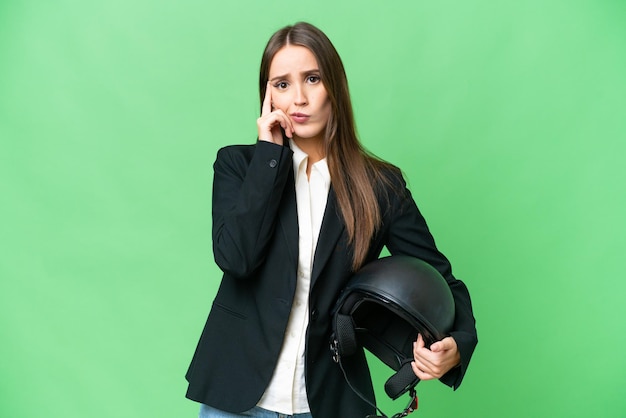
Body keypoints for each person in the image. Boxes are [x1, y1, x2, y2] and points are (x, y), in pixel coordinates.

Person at [185, 22, 478, 418]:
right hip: (236, 397)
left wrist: (455, 345)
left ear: (334, 88)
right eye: (282, 84)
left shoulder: (379, 186)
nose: (299, 98)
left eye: (312, 78)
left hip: (329, 400)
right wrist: (269, 159)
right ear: (267, 97)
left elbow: (441, 278)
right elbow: (237, 258)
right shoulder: (239, 166)